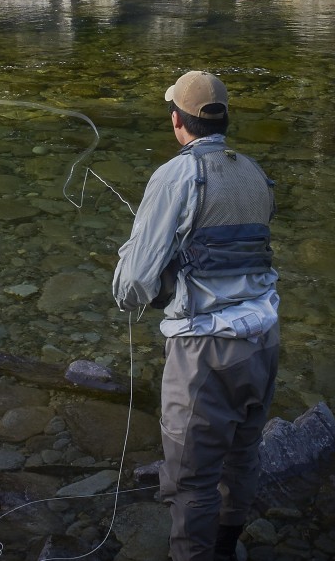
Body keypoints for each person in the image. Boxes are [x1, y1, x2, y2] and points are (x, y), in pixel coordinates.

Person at [112, 70, 280, 561]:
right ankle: (227, 549)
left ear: (176, 121)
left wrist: (129, 271)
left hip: (204, 352)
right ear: (224, 119)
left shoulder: (175, 175)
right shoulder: (254, 172)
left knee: (191, 481)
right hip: (265, 340)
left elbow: (134, 285)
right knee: (243, 457)